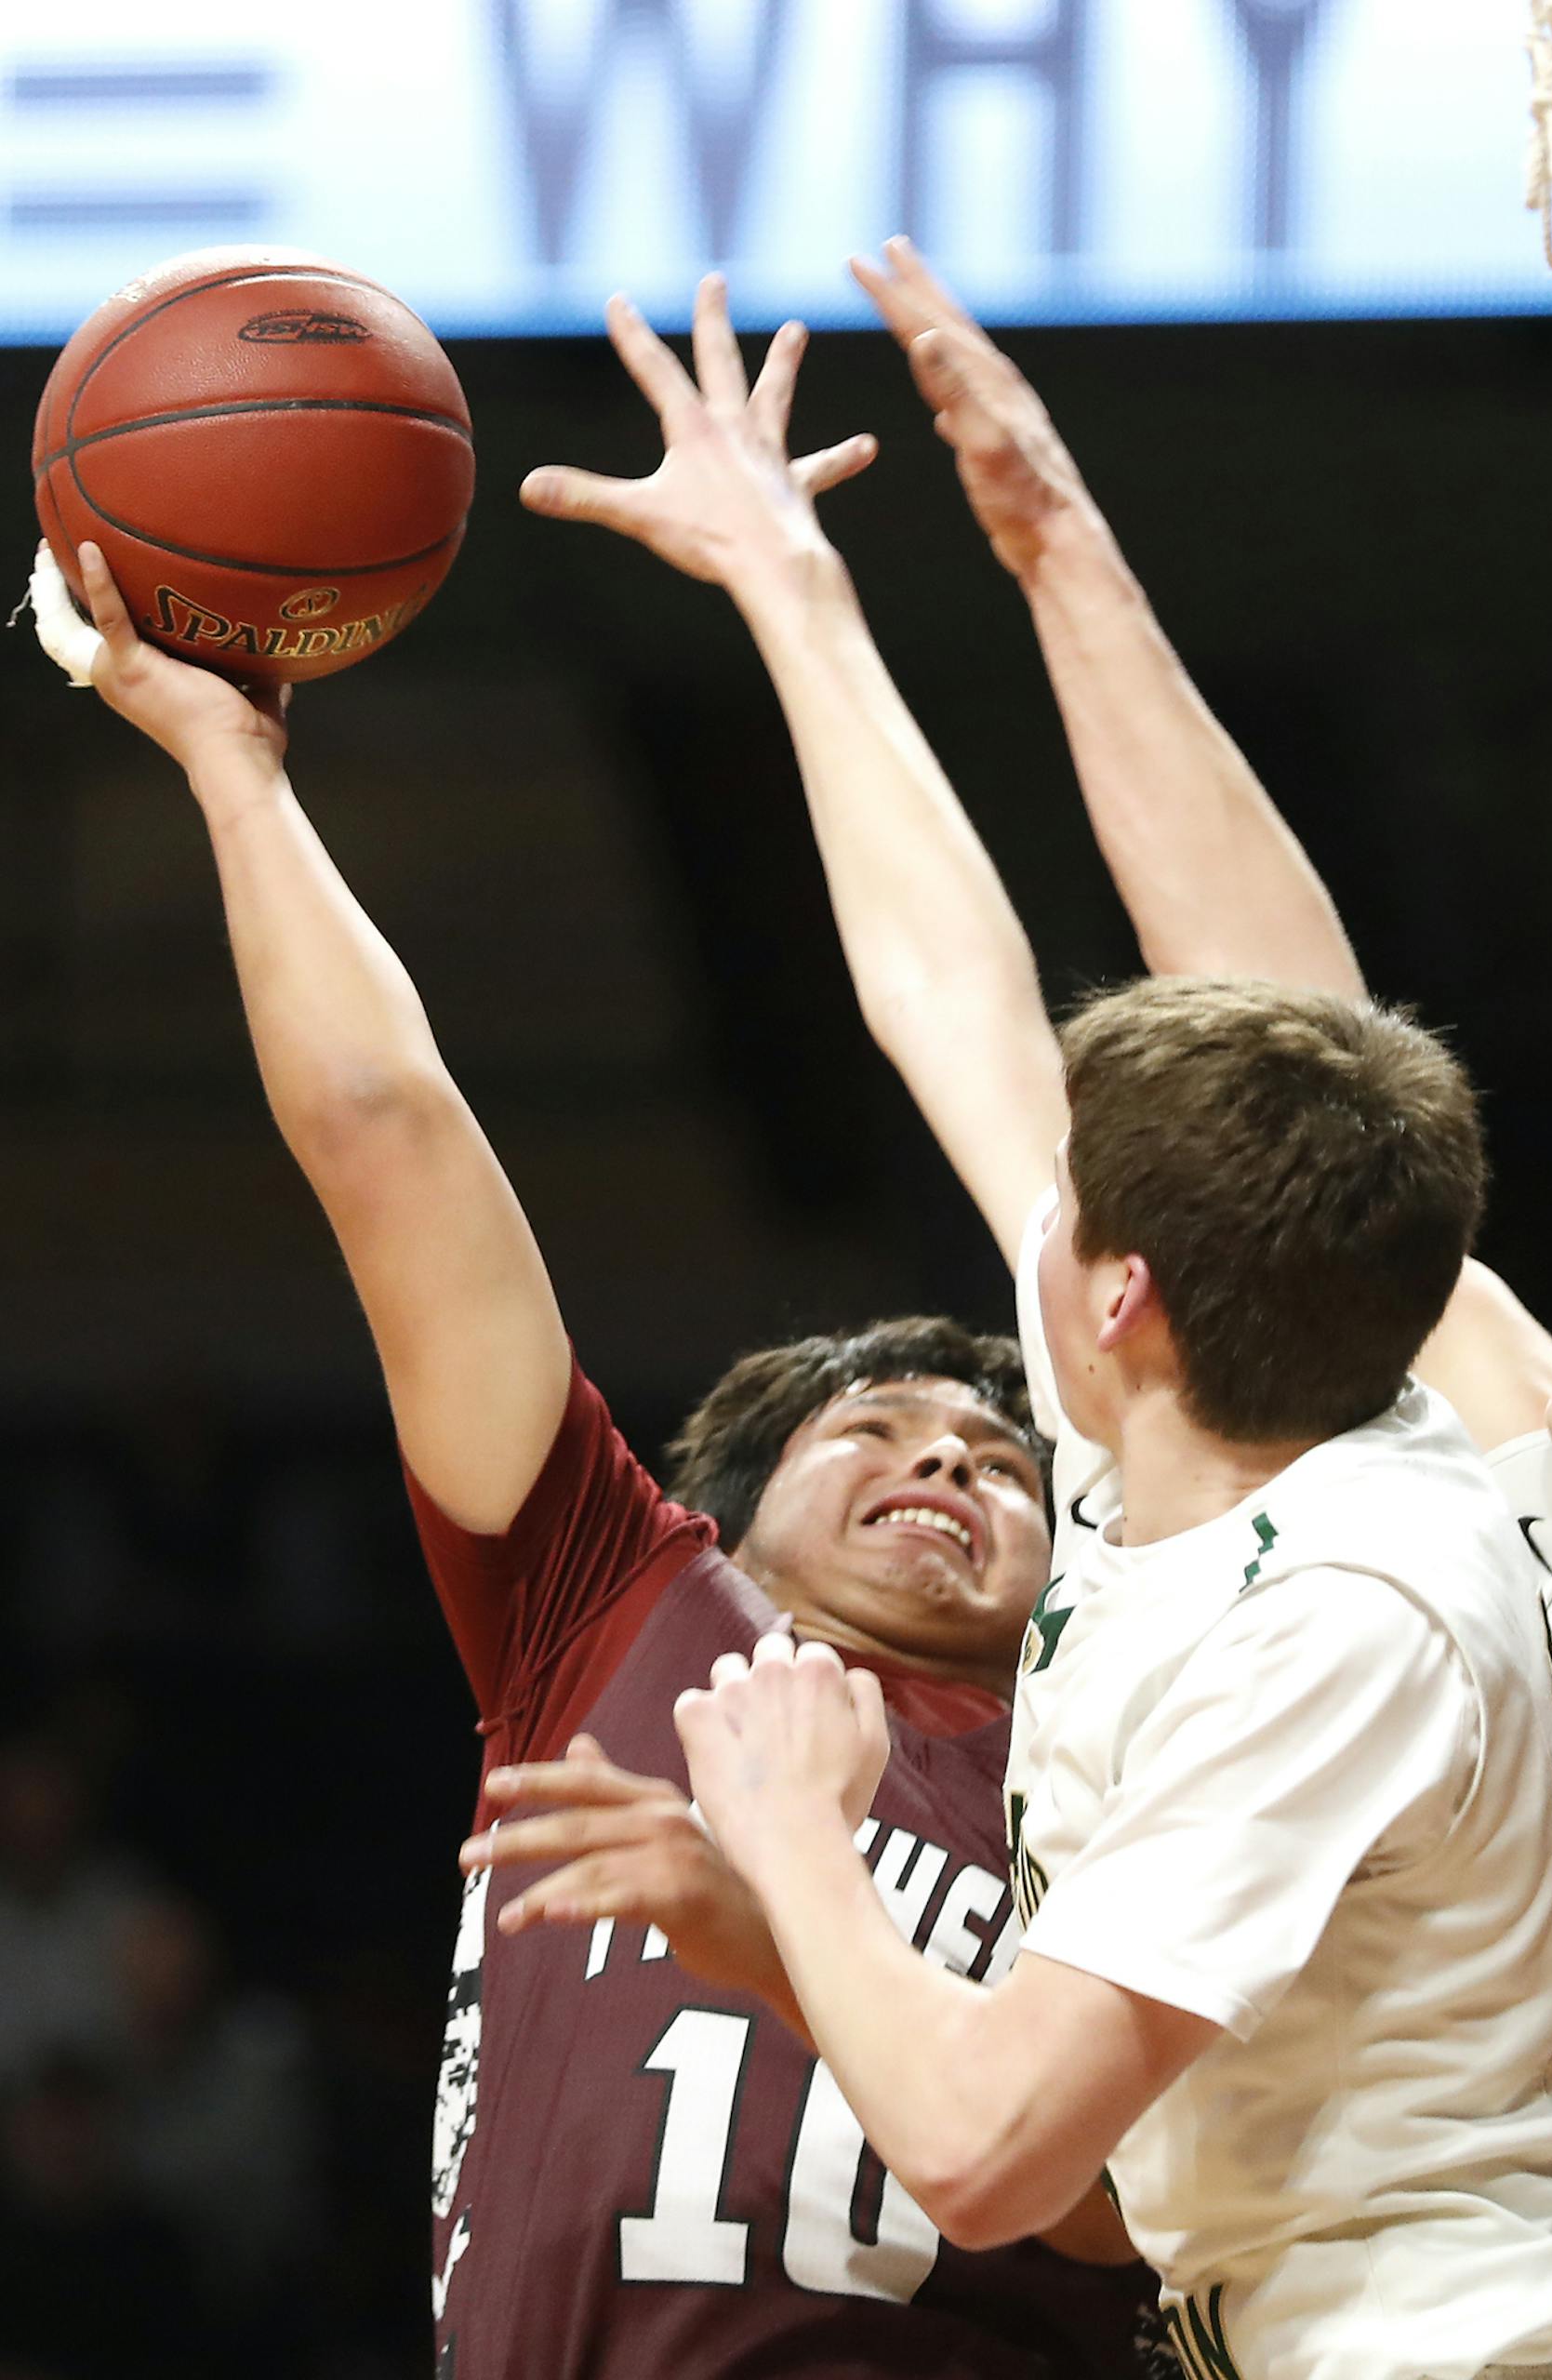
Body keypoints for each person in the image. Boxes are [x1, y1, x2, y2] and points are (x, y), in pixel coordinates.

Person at [494, 247, 1552, 2376]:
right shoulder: (1458, 1481)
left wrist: (823, 1891)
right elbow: (1262, 1031)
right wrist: (1032, 559)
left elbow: (1544, 2227)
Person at [51, 401, 1169, 2371]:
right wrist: (236, 775)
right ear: (725, 1511)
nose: (950, 1455)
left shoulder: (1141, 1742)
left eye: (1005, 1457)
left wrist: (804, 1938)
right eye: (882, 1424)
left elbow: (1150, 2209)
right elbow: (391, 1134)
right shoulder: (616, 1602)